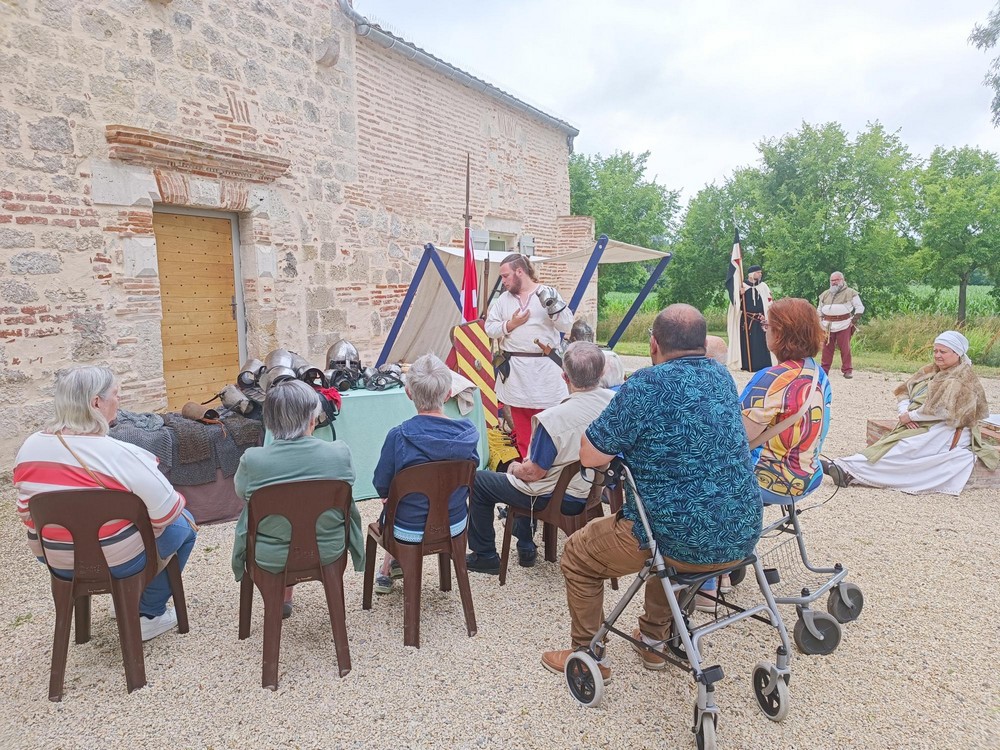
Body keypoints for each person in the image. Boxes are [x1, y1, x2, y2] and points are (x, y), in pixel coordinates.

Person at [541, 305, 761, 679]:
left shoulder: (645, 385)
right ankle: (654, 641)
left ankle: (586, 654)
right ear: (700, 344)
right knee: (667, 537)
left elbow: (591, 455)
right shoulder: (722, 378)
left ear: (653, 344)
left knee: (579, 553)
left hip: (676, 536)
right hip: (742, 531)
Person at [14, 366, 197, 641]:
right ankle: (148, 613)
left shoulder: (28, 448)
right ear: (96, 403)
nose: (119, 401)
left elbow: (26, 514)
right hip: (116, 560)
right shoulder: (120, 453)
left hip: (56, 559)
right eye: (116, 394)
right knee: (184, 525)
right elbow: (167, 513)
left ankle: (124, 597)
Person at [466, 342, 614, 574]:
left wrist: (513, 468)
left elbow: (534, 473)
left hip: (557, 496)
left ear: (564, 377)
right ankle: (524, 542)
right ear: (602, 372)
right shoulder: (615, 404)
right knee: (530, 474)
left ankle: (485, 554)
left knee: (482, 479)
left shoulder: (553, 419)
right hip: (591, 489)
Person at [231, 378, 363, 619]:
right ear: (312, 419)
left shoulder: (253, 460)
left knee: (280, 520)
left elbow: (242, 493)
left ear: (269, 422)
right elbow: (348, 485)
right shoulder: (339, 453)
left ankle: (282, 596)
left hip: (272, 553)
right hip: (328, 548)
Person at [823, 331, 998, 495]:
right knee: (890, 444)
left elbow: (944, 411)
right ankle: (847, 468)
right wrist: (904, 411)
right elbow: (904, 390)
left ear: (957, 353)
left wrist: (912, 416)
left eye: (943, 351)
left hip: (948, 429)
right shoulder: (931, 370)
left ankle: (847, 468)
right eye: (935, 351)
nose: (937, 355)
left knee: (906, 447)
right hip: (920, 420)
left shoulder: (962, 379)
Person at [371, 353, 479, 594]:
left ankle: (387, 567)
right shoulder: (469, 434)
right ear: (449, 393)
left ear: (409, 393)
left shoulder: (398, 437)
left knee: (395, 502)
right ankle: (392, 564)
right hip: (454, 521)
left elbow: (381, 484)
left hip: (408, 528)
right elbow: (472, 473)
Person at [741, 298, 832, 499]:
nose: (765, 331)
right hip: (809, 475)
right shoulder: (818, 374)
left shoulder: (772, 378)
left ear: (780, 333)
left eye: (767, 326)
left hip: (770, 480)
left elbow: (740, 436)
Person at [485, 253, 574, 458]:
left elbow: (566, 324)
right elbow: (490, 328)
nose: (503, 281)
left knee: (549, 425)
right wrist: (511, 324)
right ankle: (526, 473)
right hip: (516, 371)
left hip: (544, 371)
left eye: (506, 276)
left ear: (520, 271)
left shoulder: (547, 293)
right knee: (523, 428)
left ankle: (550, 473)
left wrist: (553, 308)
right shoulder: (503, 300)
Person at [727, 264, 774, 372]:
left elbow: (769, 302)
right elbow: (734, 305)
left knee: (761, 341)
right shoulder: (742, 286)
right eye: (758, 272)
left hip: (761, 319)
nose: (760, 274)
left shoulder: (763, 286)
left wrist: (767, 316)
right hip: (746, 320)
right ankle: (747, 365)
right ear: (752, 274)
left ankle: (762, 364)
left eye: (760, 272)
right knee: (747, 342)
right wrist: (739, 294)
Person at [818, 271, 864, 379]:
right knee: (826, 349)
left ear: (842, 280)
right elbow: (819, 310)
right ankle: (824, 370)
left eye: (836, 280)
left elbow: (860, 307)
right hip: (827, 325)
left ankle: (847, 370)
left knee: (845, 348)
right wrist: (820, 322)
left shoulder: (850, 292)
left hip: (844, 324)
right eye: (832, 280)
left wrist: (853, 321)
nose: (834, 282)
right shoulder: (825, 294)